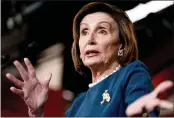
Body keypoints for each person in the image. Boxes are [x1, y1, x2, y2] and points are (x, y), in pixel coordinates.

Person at [6, 2, 173, 117]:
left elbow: (138, 104)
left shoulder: (132, 73)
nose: (90, 39)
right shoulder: (79, 100)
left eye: (101, 31)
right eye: (84, 32)